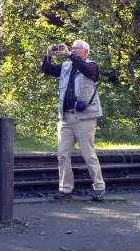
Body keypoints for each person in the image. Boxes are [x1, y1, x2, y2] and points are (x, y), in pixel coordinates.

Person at [41, 39, 106, 202]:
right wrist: (48, 55)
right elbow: (47, 69)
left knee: (89, 155)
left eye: (77, 49)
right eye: (72, 48)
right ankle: (65, 189)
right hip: (66, 118)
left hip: (85, 118)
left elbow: (85, 69)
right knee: (62, 155)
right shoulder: (66, 67)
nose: (73, 50)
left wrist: (69, 54)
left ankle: (99, 188)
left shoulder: (92, 65)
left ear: (86, 51)